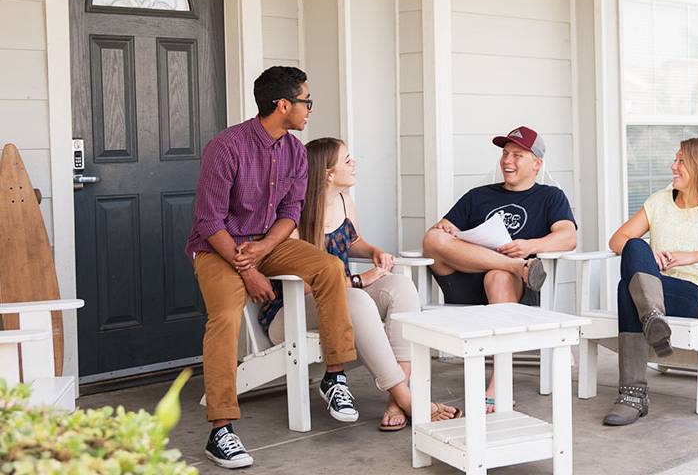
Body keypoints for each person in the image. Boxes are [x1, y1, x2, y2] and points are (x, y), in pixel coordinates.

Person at [186, 66, 359, 469]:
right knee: (225, 319)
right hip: (217, 248)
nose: (310, 110)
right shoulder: (226, 147)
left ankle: (335, 375)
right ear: (283, 105)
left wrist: (262, 250)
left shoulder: (297, 151)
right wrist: (247, 269)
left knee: (330, 268)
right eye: (306, 102)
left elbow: (290, 212)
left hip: (267, 243)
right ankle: (221, 430)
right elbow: (209, 222)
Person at [258, 137, 461, 431]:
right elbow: (303, 288)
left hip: (342, 299)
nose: (355, 164)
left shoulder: (343, 200)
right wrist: (358, 280)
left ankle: (398, 397)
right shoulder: (294, 216)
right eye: (348, 160)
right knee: (357, 299)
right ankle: (406, 397)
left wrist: (373, 252)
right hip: (289, 313)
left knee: (401, 287)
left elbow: (351, 241)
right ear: (328, 173)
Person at [603, 137, 698, 426]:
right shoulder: (659, 202)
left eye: (680, 161)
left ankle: (632, 395)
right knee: (635, 247)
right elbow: (617, 240)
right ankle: (653, 318)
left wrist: (694, 256)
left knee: (627, 289)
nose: (672, 166)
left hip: (697, 295)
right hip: (655, 293)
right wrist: (649, 257)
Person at [422, 126, 577, 411]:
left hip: (511, 292)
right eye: (505, 154)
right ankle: (516, 266)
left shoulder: (550, 197)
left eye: (518, 155)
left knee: (497, 276)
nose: (507, 161)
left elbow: (568, 237)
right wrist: (445, 228)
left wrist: (529, 245)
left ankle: (498, 383)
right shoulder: (477, 196)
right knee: (432, 238)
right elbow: (439, 236)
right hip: (466, 283)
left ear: (536, 164)